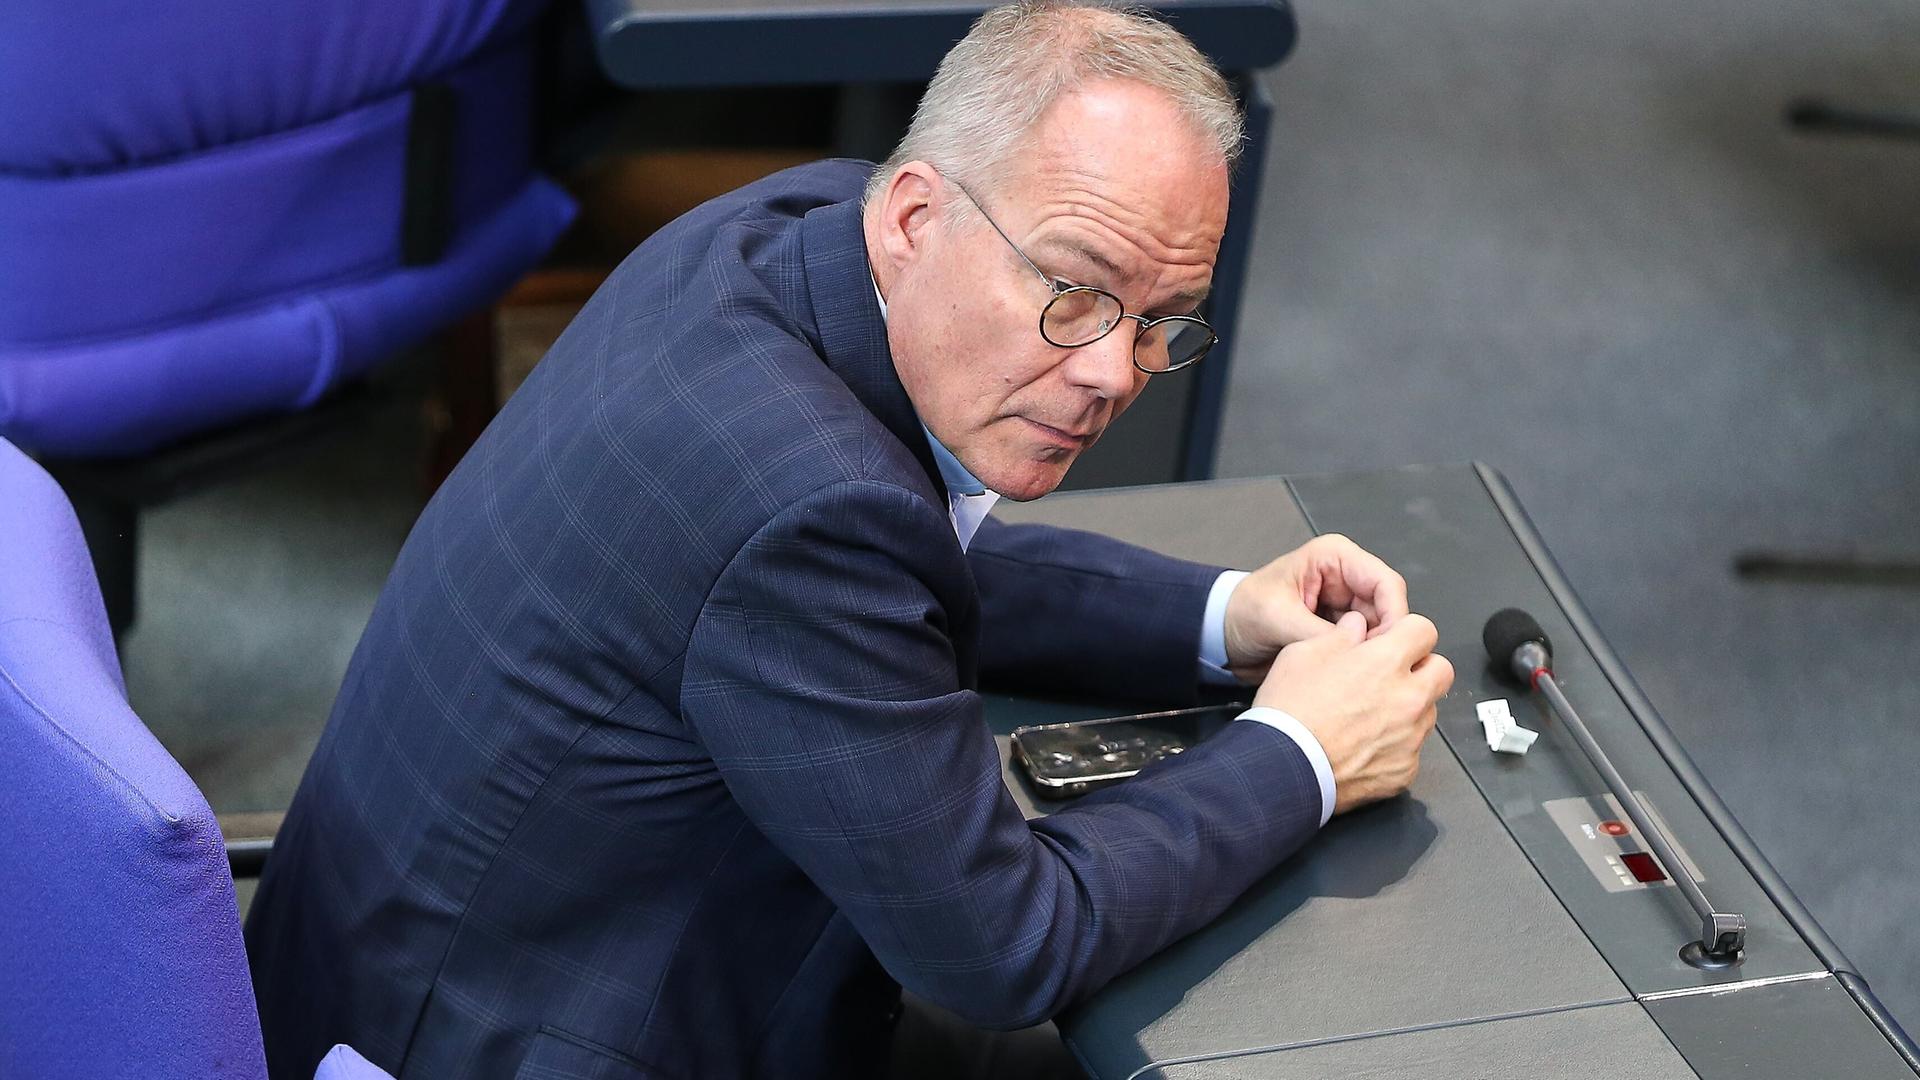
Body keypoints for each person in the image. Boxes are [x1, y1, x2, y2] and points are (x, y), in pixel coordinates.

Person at [245, 3, 1454, 1078]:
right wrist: (1304, 753)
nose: (1109, 374)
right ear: (919, 217)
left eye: (1161, 323)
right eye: (1074, 292)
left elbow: (888, 565)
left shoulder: (792, 227)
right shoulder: (806, 514)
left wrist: (1223, 617)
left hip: (415, 961)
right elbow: (1004, 945)